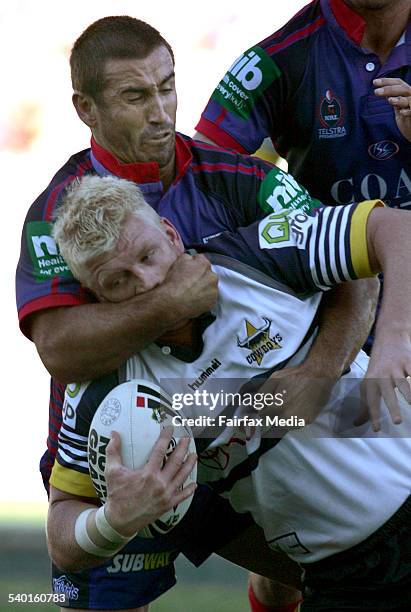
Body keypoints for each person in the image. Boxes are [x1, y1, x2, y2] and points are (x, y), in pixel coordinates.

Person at [15, 15, 378, 612]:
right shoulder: (56, 212)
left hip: (229, 433)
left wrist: (318, 376)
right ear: (87, 108)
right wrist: (170, 301)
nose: (160, 111)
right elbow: (59, 348)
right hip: (119, 456)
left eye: (167, 86)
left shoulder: (243, 179)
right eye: (136, 96)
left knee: (322, 574)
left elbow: (357, 272)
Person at [48, 174, 411, 611]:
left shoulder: (249, 257)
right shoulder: (107, 388)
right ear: (94, 295)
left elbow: (395, 229)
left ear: (171, 234)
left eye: (148, 256)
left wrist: (391, 345)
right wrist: (114, 519)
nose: (145, 282)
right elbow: (63, 537)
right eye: (117, 281)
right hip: (351, 578)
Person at [194, 3, 411, 605]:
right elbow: (199, 182)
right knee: (314, 536)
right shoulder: (279, 61)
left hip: (396, 326)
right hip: (342, 332)